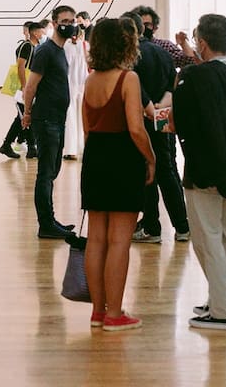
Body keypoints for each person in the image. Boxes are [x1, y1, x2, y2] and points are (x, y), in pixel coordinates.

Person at [172, 14, 226, 331]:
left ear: (202, 42)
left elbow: (184, 122)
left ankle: (222, 310)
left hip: (205, 164)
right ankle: (219, 298)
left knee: (207, 239)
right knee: (224, 237)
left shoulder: (196, 78)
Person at [81, 17, 155, 331]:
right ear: (125, 43)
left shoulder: (90, 80)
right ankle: (115, 314)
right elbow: (136, 128)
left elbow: (86, 129)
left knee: (96, 238)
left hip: (95, 155)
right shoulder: (129, 79)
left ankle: (99, 311)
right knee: (120, 240)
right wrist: (150, 159)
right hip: (123, 155)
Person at [122, 12, 190, 245]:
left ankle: (152, 226)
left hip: (141, 116)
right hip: (162, 113)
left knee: (147, 168)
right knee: (167, 168)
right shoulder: (161, 51)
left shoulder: (130, 56)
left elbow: (134, 89)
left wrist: (149, 106)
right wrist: (163, 103)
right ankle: (182, 226)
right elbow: (174, 81)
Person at [21, 5, 79, 240]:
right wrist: (27, 113)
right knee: (46, 173)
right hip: (45, 120)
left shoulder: (60, 50)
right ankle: (45, 224)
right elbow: (31, 85)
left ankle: (50, 219)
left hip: (57, 118)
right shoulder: (45, 51)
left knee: (53, 170)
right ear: (55, 23)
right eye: (65, 20)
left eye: (73, 20)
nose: (70, 24)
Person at [0, 21, 44, 159]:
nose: (43, 34)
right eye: (41, 31)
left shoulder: (36, 46)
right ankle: (8, 144)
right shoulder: (27, 46)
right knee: (22, 116)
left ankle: (30, 147)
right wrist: (25, 86)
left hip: (30, 87)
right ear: (35, 33)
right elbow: (20, 67)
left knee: (26, 116)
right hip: (24, 87)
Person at [62, 12, 91, 160]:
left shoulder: (66, 46)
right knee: (82, 116)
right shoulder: (86, 45)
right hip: (84, 84)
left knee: (70, 116)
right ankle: (82, 147)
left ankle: (71, 149)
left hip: (69, 84)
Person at [133, 4, 195, 71]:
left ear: (155, 28)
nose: (143, 28)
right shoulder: (127, 47)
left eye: (147, 25)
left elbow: (191, 62)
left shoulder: (164, 46)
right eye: (139, 24)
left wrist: (183, 44)